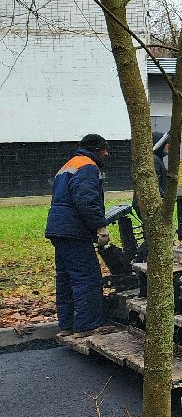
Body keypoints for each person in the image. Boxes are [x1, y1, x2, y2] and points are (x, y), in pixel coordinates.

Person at [46, 134, 111, 339]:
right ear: (96, 150)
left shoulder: (69, 165)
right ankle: (87, 326)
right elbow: (86, 201)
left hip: (59, 228)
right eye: (104, 149)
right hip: (74, 231)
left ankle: (67, 325)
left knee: (65, 278)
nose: (107, 153)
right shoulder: (88, 166)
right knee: (87, 277)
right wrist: (100, 226)